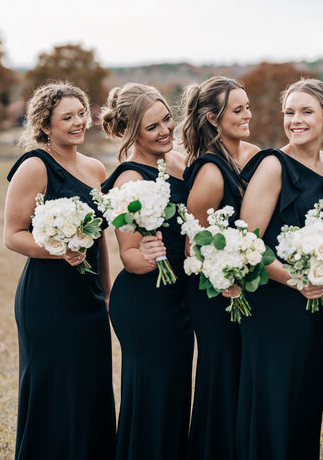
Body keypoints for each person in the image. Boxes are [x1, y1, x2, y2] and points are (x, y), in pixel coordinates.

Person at [4, 82, 116, 460]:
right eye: (66, 117)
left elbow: (99, 239)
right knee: (54, 386)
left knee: (90, 384)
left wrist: (108, 292)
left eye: (81, 113)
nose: (78, 122)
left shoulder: (96, 168)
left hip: (88, 296)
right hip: (47, 298)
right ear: (46, 126)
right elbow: (12, 236)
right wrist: (56, 250)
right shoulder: (35, 166)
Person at [237, 78, 323, 460]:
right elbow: (248, 241)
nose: (295, 120)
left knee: (305, 399)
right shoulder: (273, 165)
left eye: (306, 111)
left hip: (313, 309)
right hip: (274, 303)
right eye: (289, 112)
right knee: (274, 400)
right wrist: (295, 280)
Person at [101, 83, 194, 460]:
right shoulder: (129, 179)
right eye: (152, 127)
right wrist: (151, 255)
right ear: (133, 132)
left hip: (177, 296)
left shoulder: (177, 161)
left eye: (167, 120)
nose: (165, 131)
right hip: (145, 300)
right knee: (152, 394)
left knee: (174, 392)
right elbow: (128, 256)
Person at [181, 76, 259, 460]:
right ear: (213, 119)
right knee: (222, 374)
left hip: (247, 288)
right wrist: (226, 277)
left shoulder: (253, 154)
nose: (248, 115)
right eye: (238, 110)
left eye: (247, 107)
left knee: (244, 375)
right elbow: (193, 244)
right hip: (214, 294)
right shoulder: (210, 171)